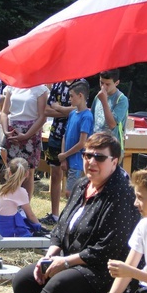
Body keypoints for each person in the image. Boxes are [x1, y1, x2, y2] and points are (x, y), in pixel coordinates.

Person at [1, 132, 140, 293]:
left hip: (107, 272)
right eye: (87, 155)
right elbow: (61, 226)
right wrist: (49, 257)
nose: (91, 162)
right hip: (75, 262)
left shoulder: (122, 195)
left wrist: (64, 262)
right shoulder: (82, 184)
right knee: (25, 280)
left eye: (99, 158)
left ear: (115, 162)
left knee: (58, 285)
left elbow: (109, 249)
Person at [42, 78, 86, 226]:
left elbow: (80, 109)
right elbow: (47, 110)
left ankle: (72, 216)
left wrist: (58, 108)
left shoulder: (81, 84)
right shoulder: (58, 83)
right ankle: (55, 214)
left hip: (74, 138)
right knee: (55, 174)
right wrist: (66, 110)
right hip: (56, 135)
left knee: (74, 179)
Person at [1, 83, 49, 201]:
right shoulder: (12, 86)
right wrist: (6, 130)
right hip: (12, 131)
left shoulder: (41, 89)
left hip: (30, 133)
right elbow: (4, 112)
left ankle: (24, 206)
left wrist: (27, 135)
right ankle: (10, 200)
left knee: (28, 171)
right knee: (11, 169)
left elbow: (43, 117)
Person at [58, 81, 94, 196]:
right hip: (68, 159)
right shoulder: (72, 113)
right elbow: (65, 135)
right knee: (70, 193)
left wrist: (65, 155)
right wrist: (63, 157)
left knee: (72, 193)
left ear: (80, 96)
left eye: (71, 96)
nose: (69, 100)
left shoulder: (87, 116)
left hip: (77, 162)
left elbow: (82, 143)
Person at [0, 157, 44, 237]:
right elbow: (30, 215)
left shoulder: (3, 188)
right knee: (29, 225)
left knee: (21, 214)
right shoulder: (21, 192)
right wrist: (39, 227)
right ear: (27, 173)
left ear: (9, 172)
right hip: (9, 232)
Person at [90, 69, 129, 152]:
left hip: (111, 147)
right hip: (96, 143)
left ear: (116, 83)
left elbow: (112, 124)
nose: (103, 87)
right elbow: (92, 119)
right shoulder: (98, 97)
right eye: (101, 83)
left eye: (107, 84)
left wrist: (104, 101)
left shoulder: (121, 99)